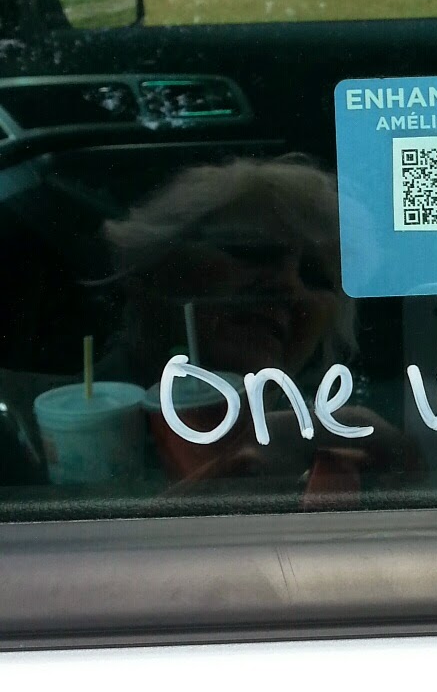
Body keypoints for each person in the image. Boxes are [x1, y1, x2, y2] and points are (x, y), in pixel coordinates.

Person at [101, 154, 418, 498]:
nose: (288, 284)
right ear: (157, 269)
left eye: (315, 277)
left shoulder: (328, 456)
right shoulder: (63, 437)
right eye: (252, 250)